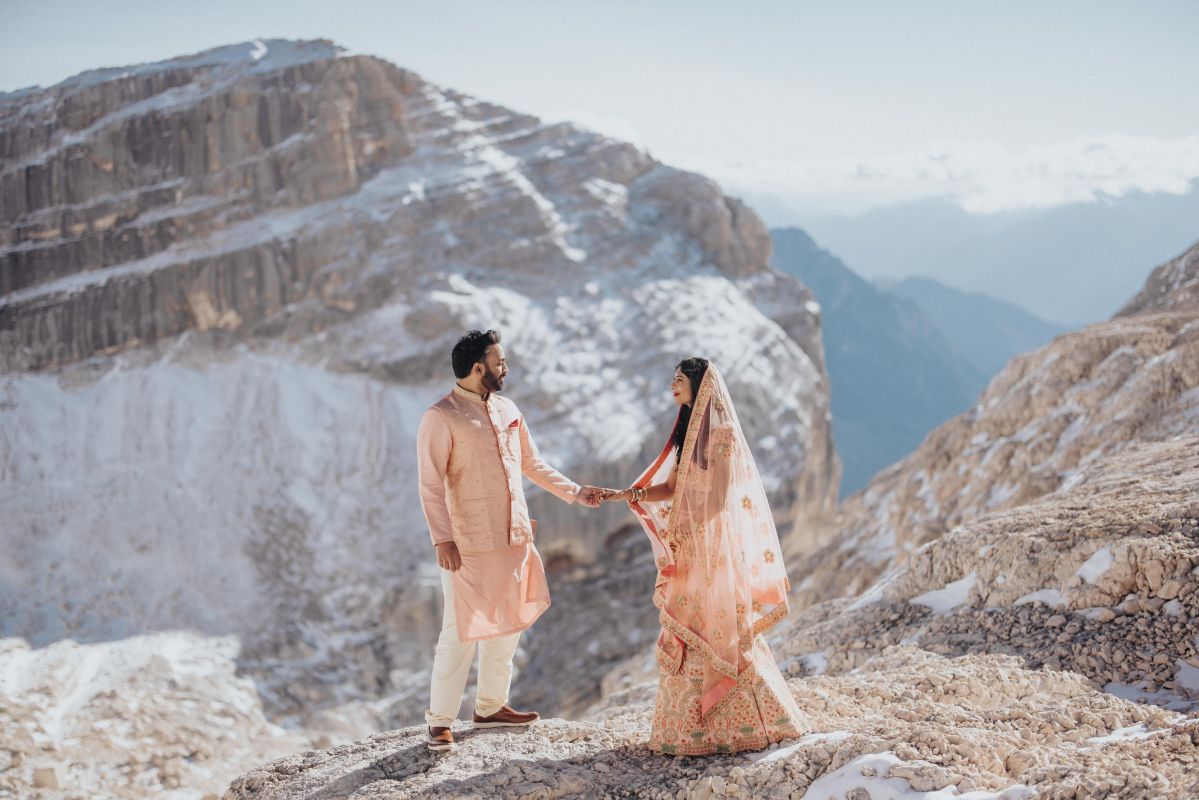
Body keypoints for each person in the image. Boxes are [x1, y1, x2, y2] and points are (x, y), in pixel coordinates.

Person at [600, 358, 803, 755]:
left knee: (723, 630)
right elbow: (675, 487)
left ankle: (750, 726)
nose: (672, 385)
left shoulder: (721, 433)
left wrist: (684, 533)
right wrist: (629, 495)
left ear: (699, 384)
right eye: (672, 378)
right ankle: (684, 731)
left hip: (711, 551)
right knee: (689, 630)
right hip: (691, 550)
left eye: (679, 379)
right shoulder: (685, 433)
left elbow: (719, 499)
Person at [416, 329, 605, 751]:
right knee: (460, 631)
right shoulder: (440, 416)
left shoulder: (508, 409)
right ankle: (440, 721)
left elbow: (532, 464)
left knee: (509, 624)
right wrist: (441, 539)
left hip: (514, 535)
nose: (506, 368)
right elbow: (430, 485)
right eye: (500, 362)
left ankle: (489, 707)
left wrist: (576, 492)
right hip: (468, 544)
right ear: (478, 367)